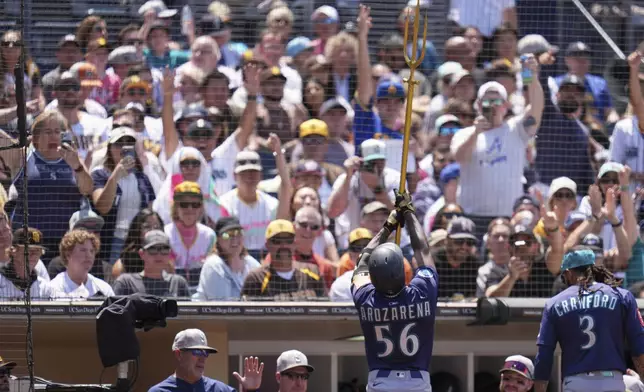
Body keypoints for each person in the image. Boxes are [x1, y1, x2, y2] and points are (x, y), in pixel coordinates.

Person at [351, 191, 437, 392]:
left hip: (380, 382)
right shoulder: (422, 293)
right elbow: (423, 251)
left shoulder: (365, 299)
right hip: (417, 382)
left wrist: (389, 225)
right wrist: (408, 212)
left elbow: (362, 261)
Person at [533, 249, 644, 392]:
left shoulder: (554, 303)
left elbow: (544, 354)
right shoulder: (622, 296)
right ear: (593, 268)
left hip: (576, 383)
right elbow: (639, 345)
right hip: (612, 382)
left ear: (569, 273)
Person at [148, 328, 263, 392]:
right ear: (179, 354)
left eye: (205, 353)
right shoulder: (159, 391)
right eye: (197, 351)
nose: (202, 358)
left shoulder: (220, 390)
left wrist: (252, 390)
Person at [113, 230, 190, 297]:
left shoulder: (178, 283)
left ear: (169, 254)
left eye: (164, 249)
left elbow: (189, 313)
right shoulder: (126, 283)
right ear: (141, 254)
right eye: (153, 249)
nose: (159, 255)